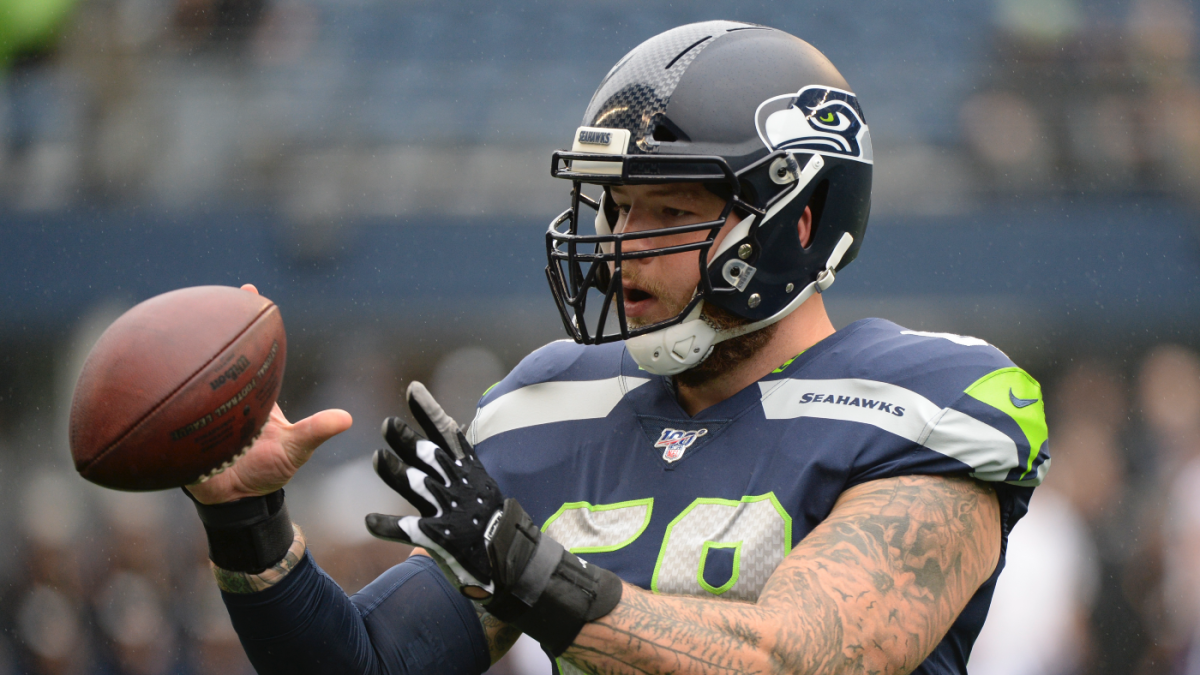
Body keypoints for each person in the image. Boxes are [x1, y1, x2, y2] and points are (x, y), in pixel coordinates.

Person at [184, 21, 1050, 675]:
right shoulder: (549, 409)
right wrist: (246, 522)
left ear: (800, 223)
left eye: (670, 215)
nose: (623, 244)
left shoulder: (922, 403)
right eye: (618, 208)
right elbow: (372, 664)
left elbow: (793, 657)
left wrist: (531, 572)